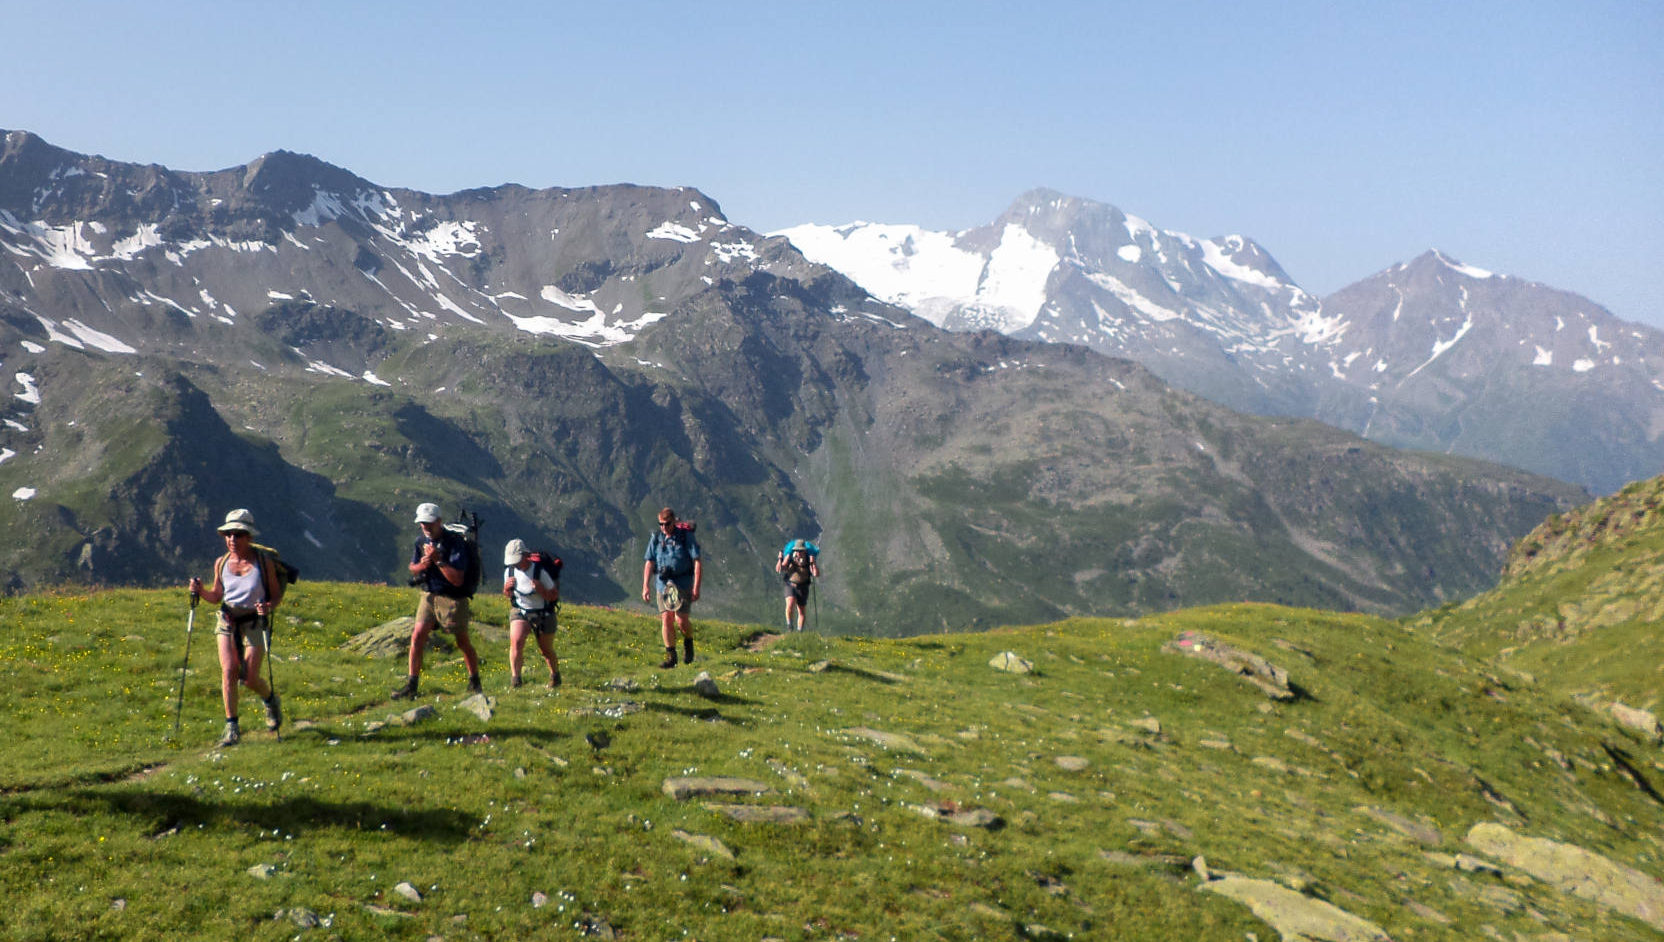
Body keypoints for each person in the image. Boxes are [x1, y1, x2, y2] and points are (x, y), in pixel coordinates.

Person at [188, 509, 283, 747]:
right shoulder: (221, 563)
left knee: (250, 678)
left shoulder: (264, 562)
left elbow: (275, 595)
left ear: (248, 537)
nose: (232, 539)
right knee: (229, 670)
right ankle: (232, 727)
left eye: (238, 534)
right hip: (228, 619)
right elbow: (217, 596)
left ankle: (270, 700)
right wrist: (201, 592)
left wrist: (267, 608)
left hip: (254, 621)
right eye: (228, 534)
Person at [392, 502, 481, 699]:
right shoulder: (420, 541)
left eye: (429, 523)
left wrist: (438, 560)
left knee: (462, 641)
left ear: (439, 522)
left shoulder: (455, 543)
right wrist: (422, 565)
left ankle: (474, 680)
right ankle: (411, 686)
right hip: (429, 594)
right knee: (417, 637)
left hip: (452, 598)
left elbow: (457, 579)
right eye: (422, 524)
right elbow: (412, 567)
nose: (426, 527)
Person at [641, 507, 701, 668]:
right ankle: (671, 657)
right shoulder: (657, 538)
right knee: (666, 618)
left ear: (674, 521)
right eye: (660, 524)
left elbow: (697, 561)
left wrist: (696, 587)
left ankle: (688, 642)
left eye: (667, 524)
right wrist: (645, 586)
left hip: (682, 583)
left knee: (681, 620)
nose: (663, 527)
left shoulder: (685, 537)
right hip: (663, 584)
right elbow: (649, 562)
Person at [502, 538, 561, 689]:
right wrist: (507, 590)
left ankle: (555, 676)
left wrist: (541, 590)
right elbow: (509, 595)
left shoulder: (539, 572)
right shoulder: (509, 572)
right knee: (516, 641)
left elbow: (553, 596)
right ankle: (516, 680)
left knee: (546, 650)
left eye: (517, 561)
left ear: (525, 556)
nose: (515, 564)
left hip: (543, 613)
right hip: (520, 611)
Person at [775, 539, 819, 631]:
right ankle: (790, 627)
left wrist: (813, 563)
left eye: (800, 550)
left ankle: (799, 632)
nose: (798, 553)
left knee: (801, 610)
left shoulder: (808, 558)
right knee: (790, 604)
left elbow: (816, 574)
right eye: (797, 550)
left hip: (803, 587)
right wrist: (780, 558)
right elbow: (780, 569)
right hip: (790, 584)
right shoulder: (790, 556)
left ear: (805, 550)